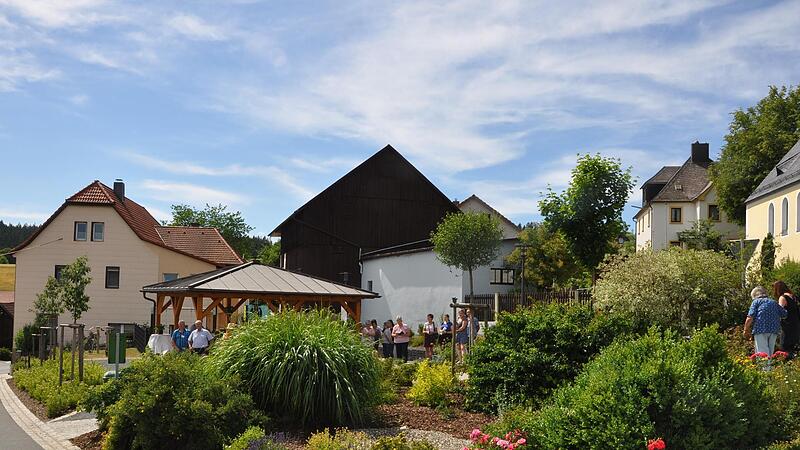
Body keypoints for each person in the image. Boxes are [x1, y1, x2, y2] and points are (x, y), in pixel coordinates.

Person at [744, 286, 787, 359]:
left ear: (754, 296)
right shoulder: (773, 302)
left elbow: (750, 317)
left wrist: (745, 330)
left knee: (762, 352)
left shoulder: (756, 302)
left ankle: (764, 370)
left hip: (760, 329)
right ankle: (769, 369)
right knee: (770, 352)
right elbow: (784, 314)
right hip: (774, 329)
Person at [775, 280, 800, 358]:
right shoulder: (794, 296)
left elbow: (780, 311)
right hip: (796, 323)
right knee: (793, 346)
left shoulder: (782, 298)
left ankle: (788, 364)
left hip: (787, 326)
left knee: (784, 347)